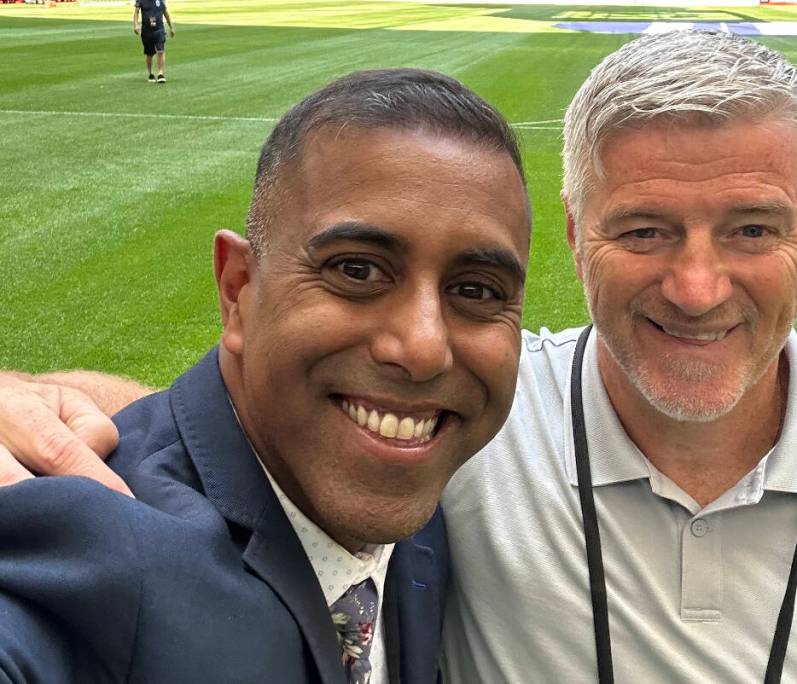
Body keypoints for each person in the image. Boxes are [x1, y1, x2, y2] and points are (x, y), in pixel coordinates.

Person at [1, 31, 797, 683]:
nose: (698, 286)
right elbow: (264, 423)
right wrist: (34, 405)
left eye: (752, 230)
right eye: (645, 231)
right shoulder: (473, 422)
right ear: (576, 235)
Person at [0, 67, 531, 684]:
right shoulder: (97, 543)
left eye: (475, 289)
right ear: (238, 290)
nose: (422, 348)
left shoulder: (419, 472)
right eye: (357, 271)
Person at [133, 0, 174, 83]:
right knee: (149, 53)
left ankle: (160, 74)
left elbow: (166, 13)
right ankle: (150, 73)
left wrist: (171, 27)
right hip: (146, 30)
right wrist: (136, 25)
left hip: (159, 29)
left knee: (161, 51)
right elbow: (136, 12)